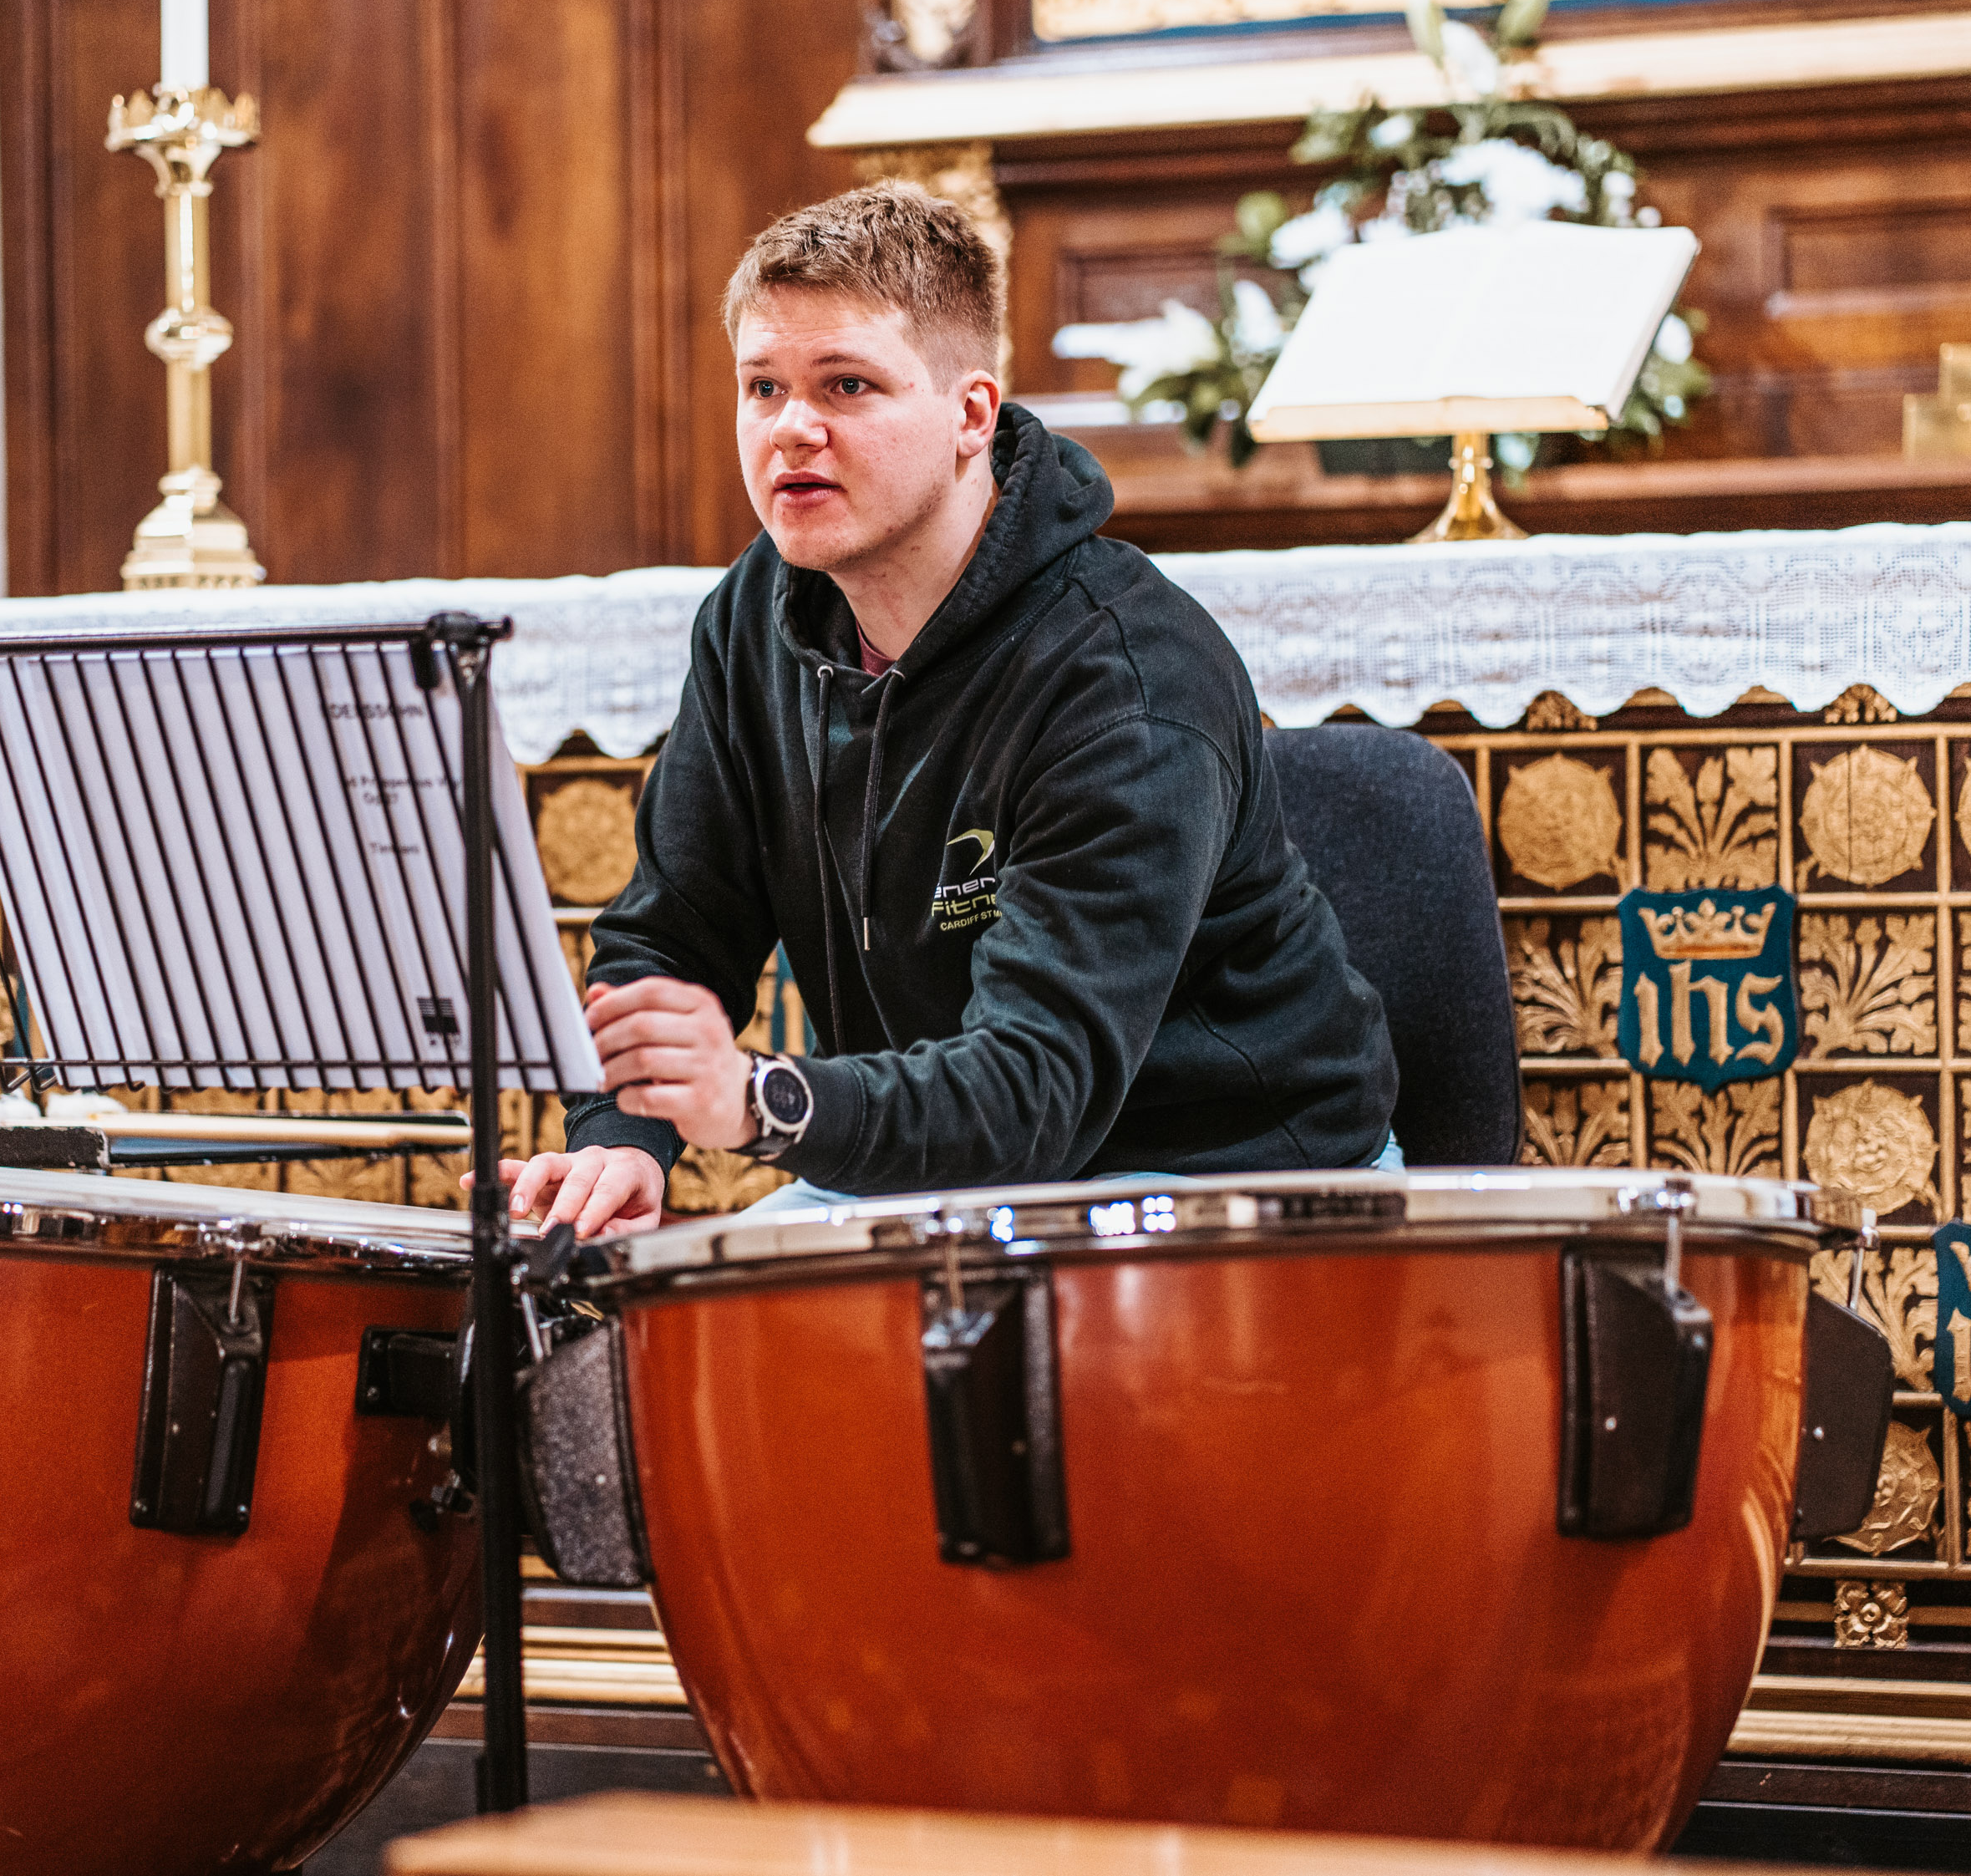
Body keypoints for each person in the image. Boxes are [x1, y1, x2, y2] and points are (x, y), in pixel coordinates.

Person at [484, 182, 1396, 1237]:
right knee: (633, 1321)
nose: (791, 430)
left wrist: (760, 1100)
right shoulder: (754, 616)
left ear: (970, 415)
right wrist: (621, 1138)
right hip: (937, 1171)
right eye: (762, 386)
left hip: (1226, 1179)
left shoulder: (1126, 674)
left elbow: (1033, 1091)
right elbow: (672, 931)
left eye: (846, 385)